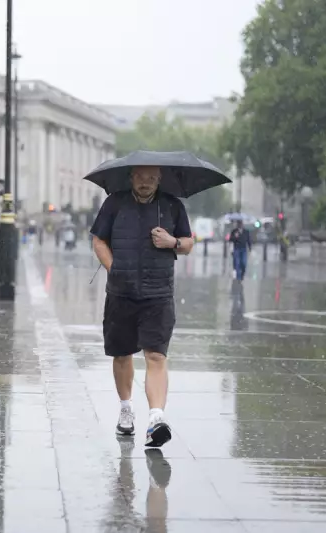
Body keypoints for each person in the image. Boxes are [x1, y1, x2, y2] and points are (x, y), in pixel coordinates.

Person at [90, 166, 194, 446]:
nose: (146, 183)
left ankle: (156, 418)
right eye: (140, 177)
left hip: (158, 293)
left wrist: (171, 241)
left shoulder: (172, 206)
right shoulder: (114, 203)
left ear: (159, 180)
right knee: (122, 355)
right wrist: (114, 268)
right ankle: (126, 410)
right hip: (121, 294)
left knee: (156, 355)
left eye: (151, 178)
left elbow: (188, 243)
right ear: (131, 177)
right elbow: (98, 240)